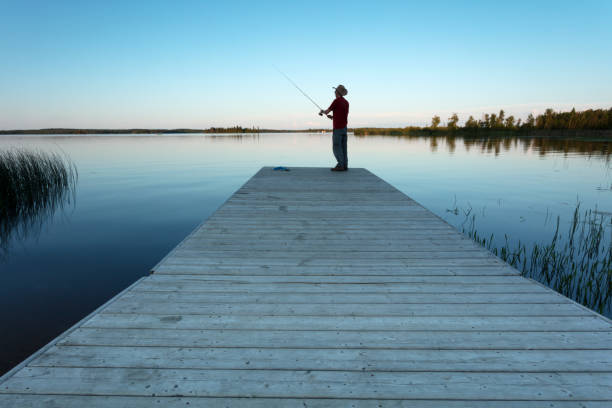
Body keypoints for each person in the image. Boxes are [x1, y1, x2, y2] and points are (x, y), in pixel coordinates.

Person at [320, 85, 349, 171]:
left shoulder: (336, 101)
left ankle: (340, 165)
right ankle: (345, 165)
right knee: (344, 147)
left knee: (336, 147)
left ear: (337, 92)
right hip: (344, 128)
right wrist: (332, 117)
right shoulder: (346, 102)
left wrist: (323, 111)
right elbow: (342, 114)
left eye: (335, 91)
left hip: (338, 128)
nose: (334, 92)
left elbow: (327, 111)